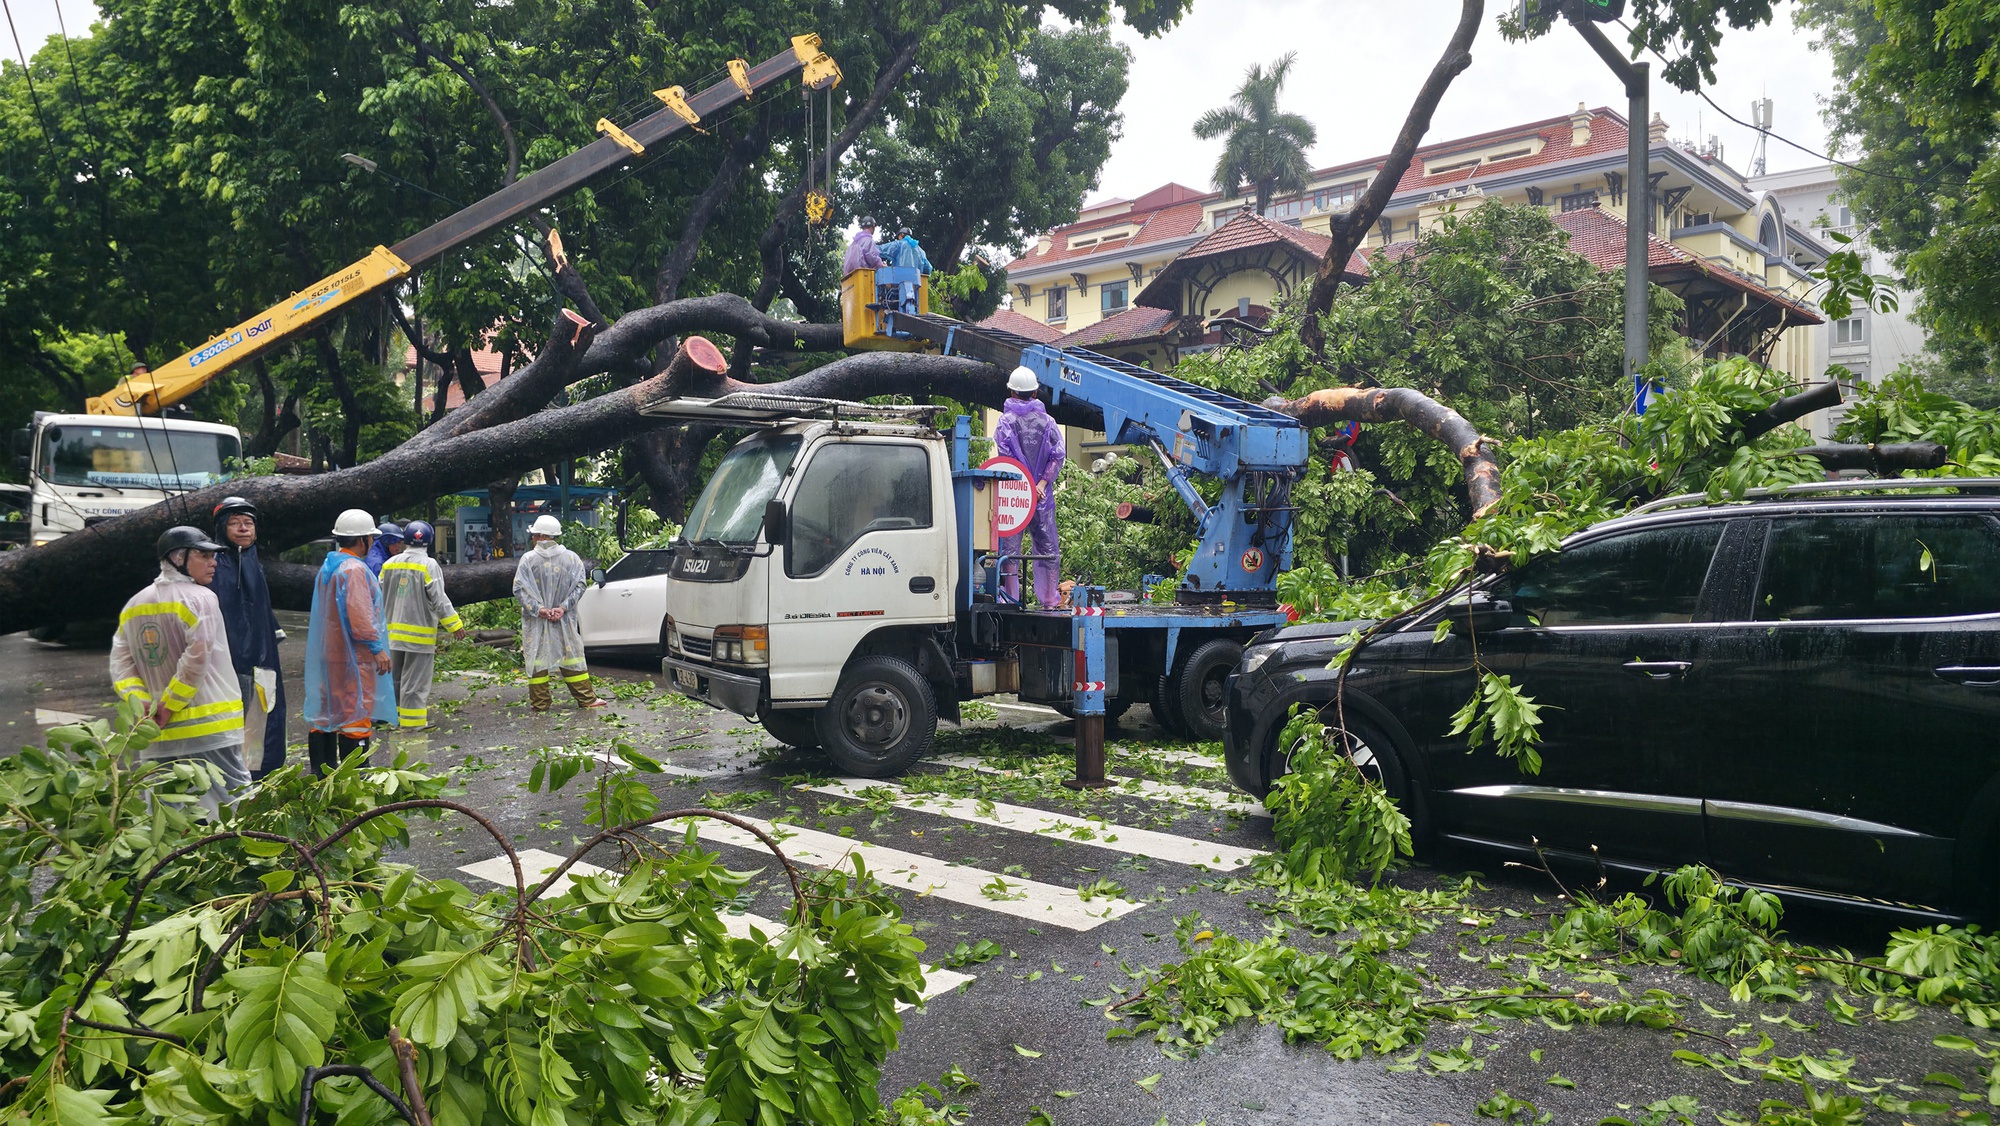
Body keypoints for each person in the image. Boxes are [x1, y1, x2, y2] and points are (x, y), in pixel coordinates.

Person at [110, 526, 251, 815]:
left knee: (166, 810)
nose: (213, 562)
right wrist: (170, 704)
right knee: (234, 801)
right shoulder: (201, 598)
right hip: (212, 725)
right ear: (177, 557)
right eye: (203, 555)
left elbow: (121, 664)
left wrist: (144, 705)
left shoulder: (134, 605)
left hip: (157, 731)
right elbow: (197, 658)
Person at [304, 509, 395, 774]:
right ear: (363, 539)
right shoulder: (354, 569)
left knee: (328, 711)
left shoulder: (329, 565)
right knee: (355, 713)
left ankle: (323, 775)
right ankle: (356, 776)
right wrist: (377, 649)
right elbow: (360, 614)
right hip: (353, 656)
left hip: (330, 652)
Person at [210, 496, 286, 779]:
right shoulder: (216, 564)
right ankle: (233, 781)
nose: (243, 529)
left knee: (262, 721)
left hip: (262, 659)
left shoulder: (254, 561)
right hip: (228, 661)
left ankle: (259, 779)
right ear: (221, 528)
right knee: (233, 724)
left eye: (248, 523)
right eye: (235, 523)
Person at [380, 519, 465, 730]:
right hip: (419, 636)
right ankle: (413, 724)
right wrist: (455, 625)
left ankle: (395, 721)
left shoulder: (389, 564)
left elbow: (377, 595)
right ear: (429, 541)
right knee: (415, 683)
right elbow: (439, 598)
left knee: (396, 680)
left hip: (392, 634)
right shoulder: (429, 565)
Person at [514, 514, 604, 711]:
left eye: (534, 535)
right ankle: (587, 699)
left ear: (539, 535)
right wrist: (562, 608)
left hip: (537, 621)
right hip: (563, 619)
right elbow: (580, 586)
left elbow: (519, 589)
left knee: (537, 658)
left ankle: (540, 703)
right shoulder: (572, 558)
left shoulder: (528, 560)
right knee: (571, 654)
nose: (532, 539)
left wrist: (540, 610)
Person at [994, 365, 1066, 609]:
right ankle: (1048, 600)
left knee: (1010, 550)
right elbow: (1058, 456)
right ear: (1035, 392)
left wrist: (1025, 485)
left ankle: (1010, 599)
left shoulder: (1005, 422)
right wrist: (1042, 484)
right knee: (1047, 547)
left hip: (1015, 495)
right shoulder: (1048, 422)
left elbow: (1006, 459)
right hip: (1042, 495)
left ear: (1012, 392)